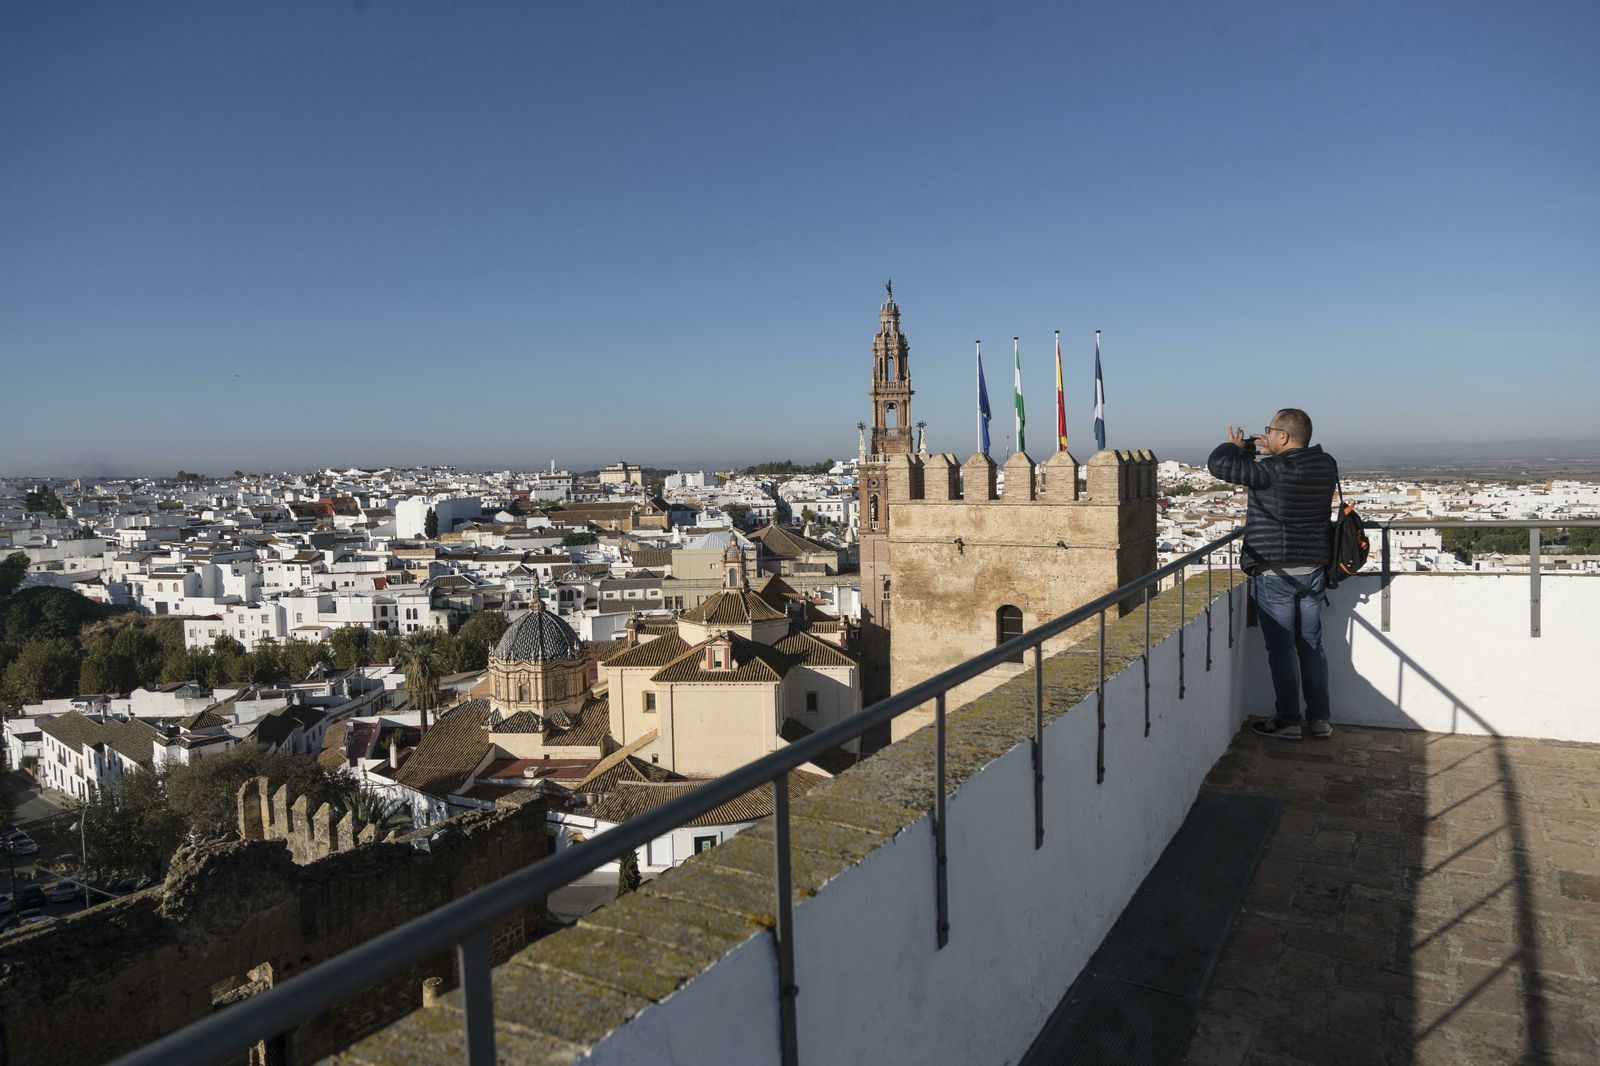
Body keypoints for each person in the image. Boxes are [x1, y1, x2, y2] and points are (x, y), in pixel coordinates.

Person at [1208, 408, 1339, 740]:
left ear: (1282, 436)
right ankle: (1320, 719)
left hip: (1275, 573)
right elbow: (1288, 467)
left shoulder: (1272, 470)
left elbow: (1219, 465)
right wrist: (1265, 450)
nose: (1266, 434)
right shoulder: (1326, 464)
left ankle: (1289, 721)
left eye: (1271, 430)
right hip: (1313, 570)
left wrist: (1238, 447)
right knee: (1311, 646)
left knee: (1282, 651)